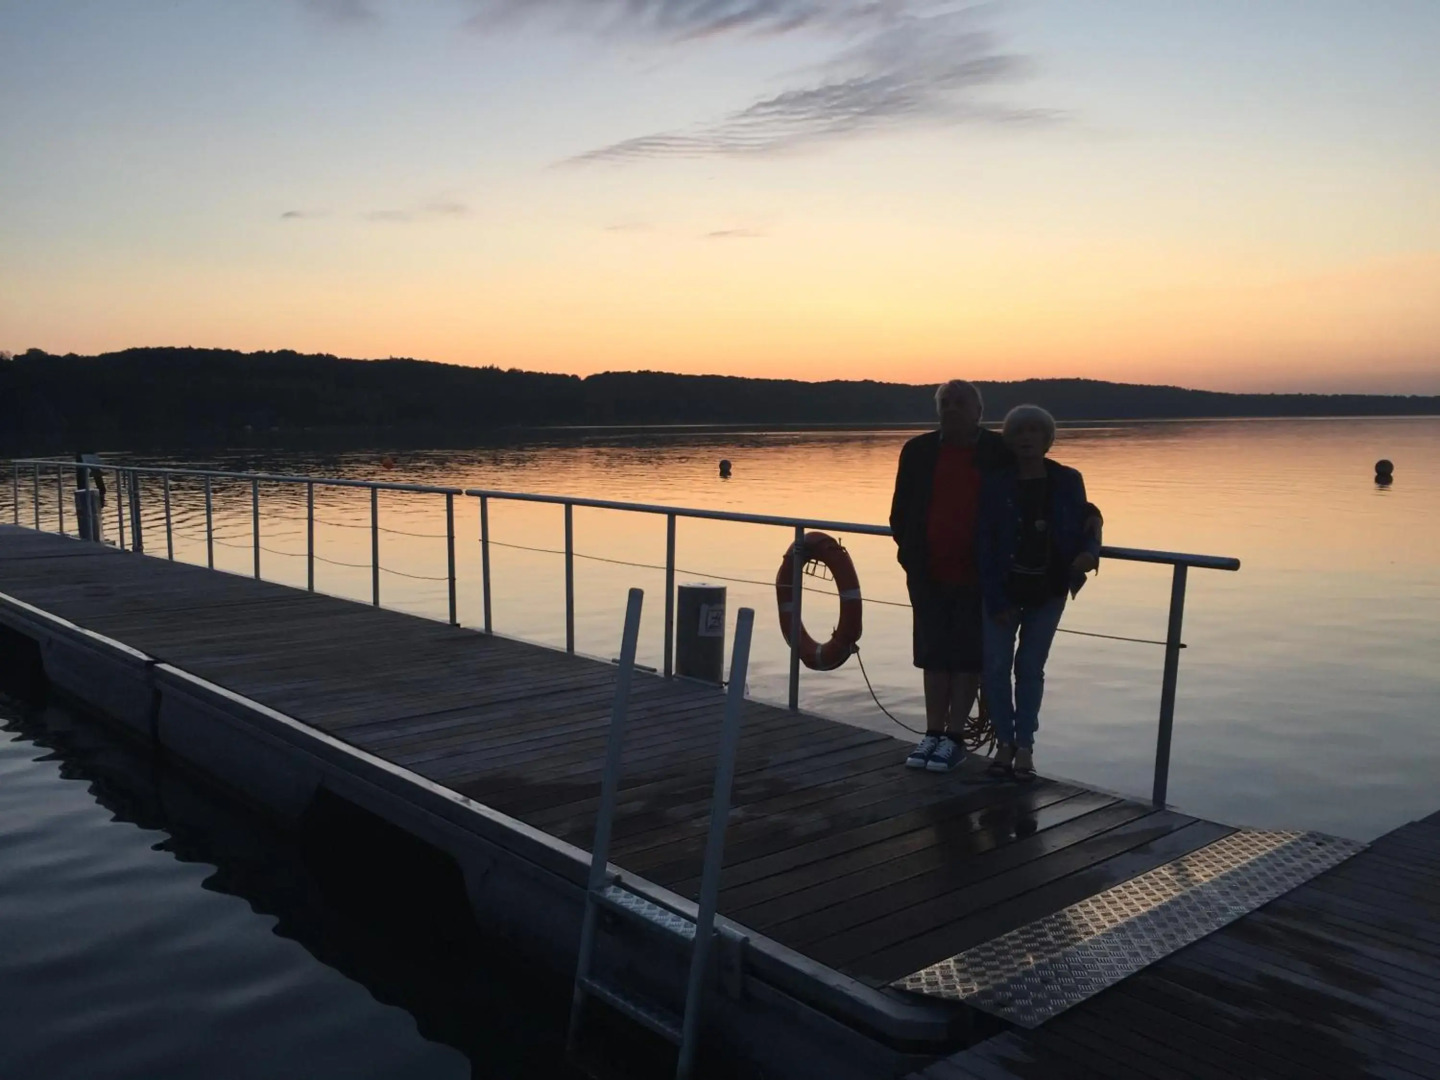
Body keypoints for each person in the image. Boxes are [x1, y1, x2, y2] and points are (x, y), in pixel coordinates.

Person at [889, 380, 1012, 771]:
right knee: (933, 655)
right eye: (946, 403)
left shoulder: (998, 450)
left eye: (961, 403)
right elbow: (900, 512)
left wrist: (1089, 515)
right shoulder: (918, 451)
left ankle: (955, 737)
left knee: (967, 657)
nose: (952, 409)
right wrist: (910, 554)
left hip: (980, 576)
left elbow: (1039, 485)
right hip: (928, 573)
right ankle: (932, 733)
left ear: (978, 411)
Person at [977, 405, 1100, 781]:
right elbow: (983, 541)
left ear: (1048, 440)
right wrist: (995, 598)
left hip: (1048, 590)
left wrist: (1089, 553)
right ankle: (1004, 745)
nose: (1027, 437)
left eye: (1035, 431)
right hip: (1003, 588)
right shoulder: (995, 482)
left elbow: (1089, 518)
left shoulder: (1068, 479)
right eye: (1019, 432)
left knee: (1029, 668)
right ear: (1010, 440)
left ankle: (1026, 747)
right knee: (996, 669)